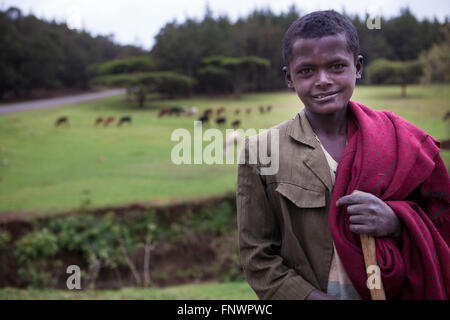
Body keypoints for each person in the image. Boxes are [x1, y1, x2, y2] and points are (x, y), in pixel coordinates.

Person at [236, 10, 449, 300]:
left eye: (336, 66)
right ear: (289, 77)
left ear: (357, 67)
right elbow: (257, 257)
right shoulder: (260, 153)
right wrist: (310, 298)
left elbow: (440, 221)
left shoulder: (400, 140)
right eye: (307, 71)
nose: (323, 80)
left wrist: (397, 220)